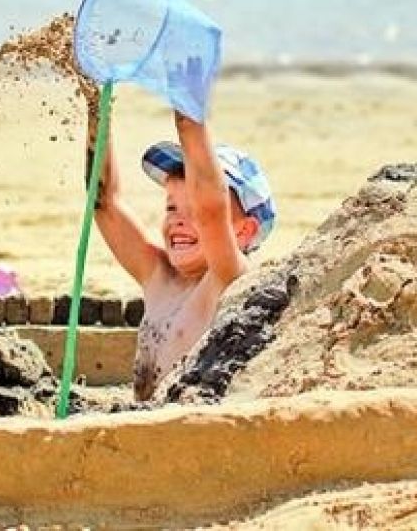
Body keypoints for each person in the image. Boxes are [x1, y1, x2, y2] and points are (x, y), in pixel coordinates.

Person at [85, 98, 275, 401]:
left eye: (194, 209)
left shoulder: (228, 280)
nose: (179, 221)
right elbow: (105, 203)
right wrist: (96, 106)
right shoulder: (157, 277)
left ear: (243, 230)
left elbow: (212, 207)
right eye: (172, 206)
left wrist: (187, 114)